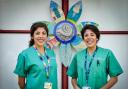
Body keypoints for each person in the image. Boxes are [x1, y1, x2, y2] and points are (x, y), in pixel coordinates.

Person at [67, 24, 123, 89]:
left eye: (92, 35)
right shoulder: (78, 55)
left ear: (97, 38)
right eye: (86, 35)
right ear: (83, 39)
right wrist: (76, 87)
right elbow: (73, 77)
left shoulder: (107, 53)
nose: (89, 37)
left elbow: (114, 78)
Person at [14, 22, 58, 89]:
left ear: (46, 36)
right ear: (32, 36)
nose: (41, 36)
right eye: (37, 33)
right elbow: (21, 82)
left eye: (44, 33)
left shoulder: (51, 52)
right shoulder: (24, 55)